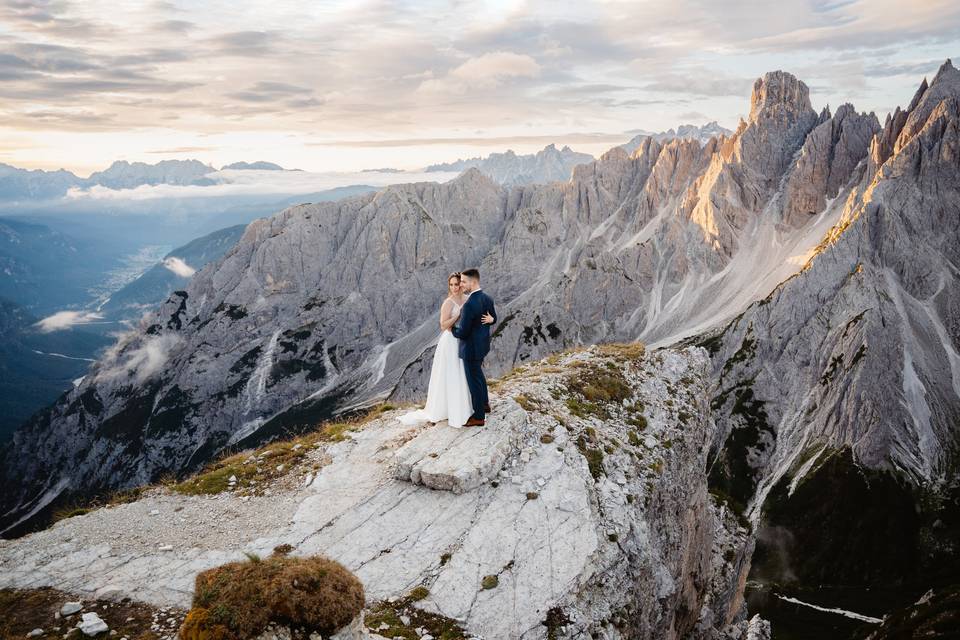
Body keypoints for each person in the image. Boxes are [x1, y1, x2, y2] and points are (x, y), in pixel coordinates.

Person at [398, 272, 493, 427]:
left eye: (457, 284)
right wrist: (457, 317)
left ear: (462, 284)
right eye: (451, 285)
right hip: (451, 341)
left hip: (466, 340)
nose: (455, 287)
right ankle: (455, 407)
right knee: (454, 373)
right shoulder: (448, 303)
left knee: (468, 374)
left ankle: (475, 405)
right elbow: (443, 325)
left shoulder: (469, 299)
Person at [451, 268, 496, 427]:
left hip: (470, 349)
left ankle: (478, 416)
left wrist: (452, 329)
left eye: (463, 281)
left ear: (473, 282)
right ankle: (485, 404)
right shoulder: (487, 298)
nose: (461, 284)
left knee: (473, 382)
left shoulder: (469, 304)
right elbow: (493, 317)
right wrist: (491, 320)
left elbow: (463, 333)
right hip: (482, 346)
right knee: (479, 376)